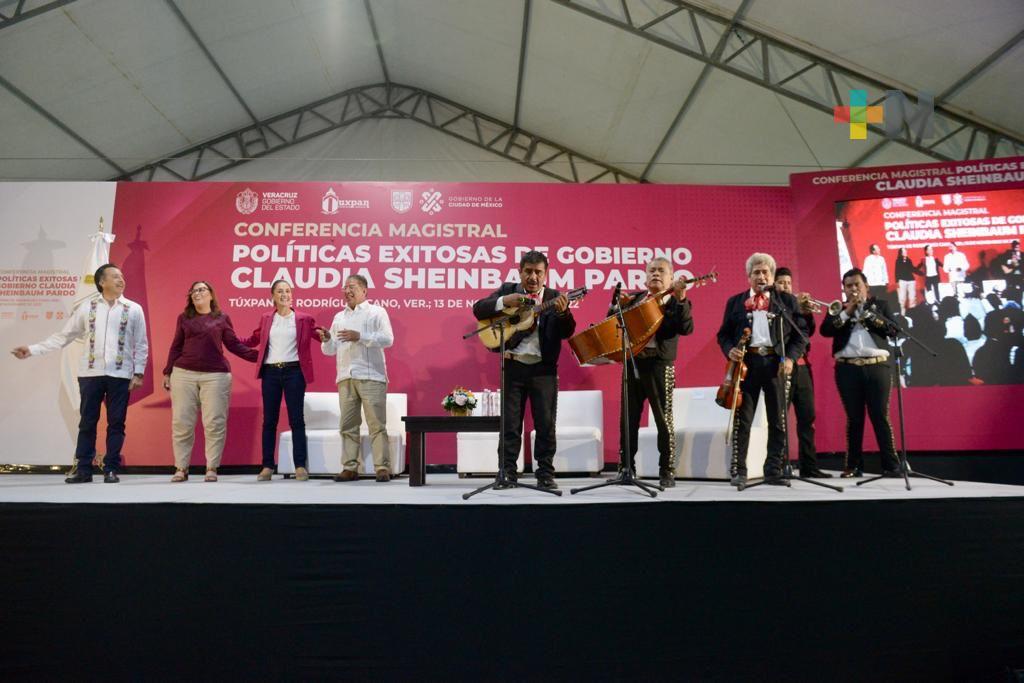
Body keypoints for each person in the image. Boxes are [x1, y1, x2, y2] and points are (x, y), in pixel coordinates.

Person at [11, 264, 148, 483]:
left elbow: (141, 344)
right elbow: (64, 336)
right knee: (87, 422)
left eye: (122, 276)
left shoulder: (133, 309)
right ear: (102, 282)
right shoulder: (88, 306)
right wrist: (32, 349)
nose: (121, 280)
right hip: (90, 374)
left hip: (120, 374)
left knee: (116, 423)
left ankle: (111, 469)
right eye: (115, 276)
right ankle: (84, 469)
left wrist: (139, 372)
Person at [472, 250, 575, 490]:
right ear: (520, 271)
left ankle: (545, 474)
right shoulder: (508, 290)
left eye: (538, 272)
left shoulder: (554, 296)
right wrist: (503, 302)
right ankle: (507, 473)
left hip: (544, 370)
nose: (533, 276)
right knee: (510, 425)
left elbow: (567, 331)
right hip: (513, 366)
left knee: (546, 425)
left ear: (545, 274)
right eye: (528, 271)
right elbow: (479, 309)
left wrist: (564, 312)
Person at [716, 253, 808, 487]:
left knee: (778, 420)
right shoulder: (735, 302)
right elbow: (723, 335)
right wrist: (730, 351)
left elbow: (801, 335)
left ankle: (773, 470)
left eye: (765, 272)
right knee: (742, 420)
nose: (761, 276)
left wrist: (790, 358)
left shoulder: (785, 301)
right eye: (756, 272)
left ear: (772, 275)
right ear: (748, 276)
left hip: (776, 364)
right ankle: (739, 470)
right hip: (747, 366)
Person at [163, 281, 258, 482]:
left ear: (211, 295)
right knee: (181, 422)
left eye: (201, 290)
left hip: (215, 376)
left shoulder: (222, 318)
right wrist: (167, 372)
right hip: (183, 374)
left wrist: (261, 356)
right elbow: (175, 346)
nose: (197, 293)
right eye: (194, 291)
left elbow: (234, 345)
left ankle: (211, 468)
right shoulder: (184, 318)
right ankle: (181, 468)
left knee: (214, 422)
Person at [612, 257, 693, 488]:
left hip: (660, 365)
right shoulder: (636, 299)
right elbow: (615, 323)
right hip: (634, 363)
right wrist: (617, 304)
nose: (656, 274)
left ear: (671, 277)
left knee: (663, 421)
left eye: (661, 271)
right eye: (652, 271)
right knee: (628, 419)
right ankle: (626, 468)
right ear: (645, 277)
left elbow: (686, 328)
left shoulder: (675, 301)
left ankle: (666, 470)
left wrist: (681, 298)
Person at [241, 280, 327, 482]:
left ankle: (299, 466)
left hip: (294, 372)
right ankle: (267, 466)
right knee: (269, 421)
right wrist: (230, 339)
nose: (285, 294)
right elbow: (254, 339)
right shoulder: (266, 318)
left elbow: (319, 336)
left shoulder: (304, 319)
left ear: (292, 295)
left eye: (288, 291)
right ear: (272, 296)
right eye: (280, 291)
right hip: (270, 373)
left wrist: (327, 335)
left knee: (296, 419)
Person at [819, 268, 900, 478]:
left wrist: (868, 315)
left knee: (880, 416)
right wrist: (847, 312)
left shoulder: (880, 305)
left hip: (877, 366)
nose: (853, 289)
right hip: (847, 368)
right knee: (854, 418)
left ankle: (891, 465)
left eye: (857, 285)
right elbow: (826, 330)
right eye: (849, 286)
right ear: (844, 289)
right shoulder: (838, 308)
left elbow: (893, 330)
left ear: (866, 287)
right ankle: (853, 466)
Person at [321, 274, 394, 482]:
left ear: (364, 290)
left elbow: (388, 339)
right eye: (345, 287)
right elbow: (331, 349)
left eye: (352, 287)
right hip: (346, 376)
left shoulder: (376, 312)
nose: (347, 291)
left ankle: (382, 467)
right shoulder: (339, 317)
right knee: (347, 425)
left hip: (371, 376)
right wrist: (327, 340)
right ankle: (350, 467)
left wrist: (360, 337)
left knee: (376, 424)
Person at [773, 267, 831, 478]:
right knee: (779, 418)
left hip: (803, 367)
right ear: (774, 284)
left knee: (807, 417)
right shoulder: (773, 305)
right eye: (781, 282)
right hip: (781, 367)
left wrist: (805, 312)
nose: (786, 286)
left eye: (788, 282)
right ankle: (778, 466)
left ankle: (809, 466)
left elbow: (808, 333)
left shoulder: (797, 306)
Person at [894, 247, 921, 315]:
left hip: (911, 281)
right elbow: (896, 271)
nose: (905, 252)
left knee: (912, 298)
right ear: (900, 253)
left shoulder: (909, 260)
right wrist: (897, 281)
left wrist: (920, 272)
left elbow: (912, 269)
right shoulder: (898, 261)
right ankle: (903, 314)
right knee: (902, 299)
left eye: (905, 251)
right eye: (903, 251)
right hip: (902, 281)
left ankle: (913, 314)